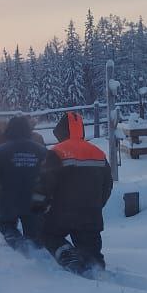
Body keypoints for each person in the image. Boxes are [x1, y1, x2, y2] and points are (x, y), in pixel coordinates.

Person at [38, 111, 113, 274]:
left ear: (61, 131)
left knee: (48, 234)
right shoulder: (98, 153)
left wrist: (39, 206)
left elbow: (44, 184)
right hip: (91, 214)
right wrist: (97, 205)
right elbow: (108, 185)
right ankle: (97, 272)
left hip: (62, 214)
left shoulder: (56, 152)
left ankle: (66, 255)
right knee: (92, 252)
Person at [0, 115, 47, 251]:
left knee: (6, 225)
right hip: (35, 201)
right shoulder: (41, 151)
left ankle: (17, 244)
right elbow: (51, 177)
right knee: (35, 236)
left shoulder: (0, 152)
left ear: (9, 130)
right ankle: (36, 254)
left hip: (8, 201)